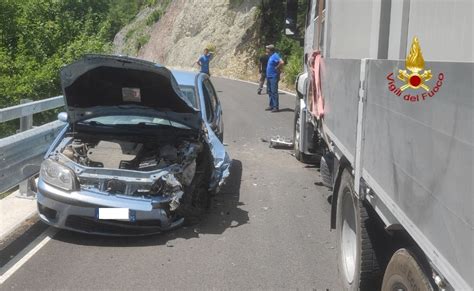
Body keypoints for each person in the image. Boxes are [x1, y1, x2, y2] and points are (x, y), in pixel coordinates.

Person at [265, 44, 284, 112]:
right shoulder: (271, 56)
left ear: (270, 50)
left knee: (274, 92)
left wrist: (277, 67)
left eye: (267, 49)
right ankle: (271, 105)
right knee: (270, 91)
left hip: (273, 76)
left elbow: (282, 62)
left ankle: (276, 107)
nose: (266, 50)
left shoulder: (275, 55)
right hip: (269, 76)